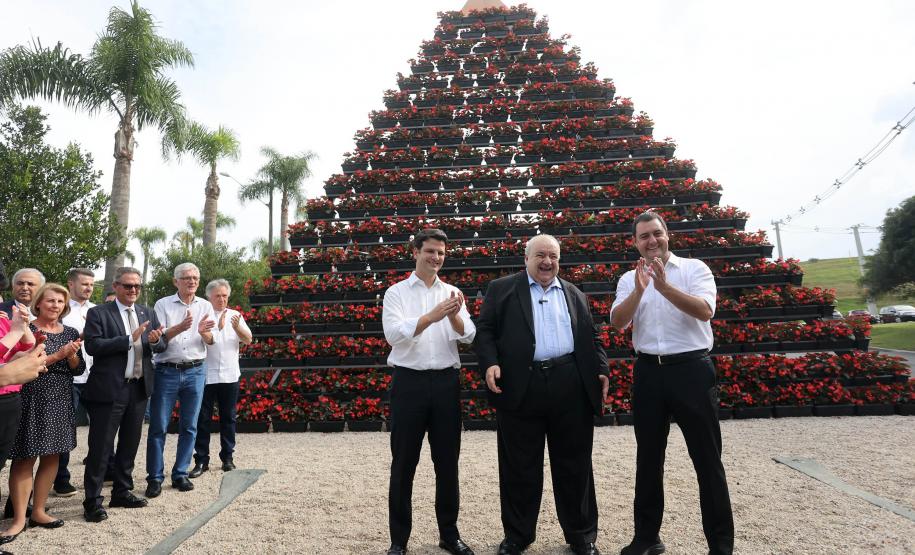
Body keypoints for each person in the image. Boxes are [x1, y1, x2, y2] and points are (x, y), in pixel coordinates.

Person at [474, 234, 610, 555]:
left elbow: (591, 335)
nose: (547, 261)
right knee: (519, 466)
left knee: (575, 465)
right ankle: (518, 535)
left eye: (553, 256)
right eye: (540, 255)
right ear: (526, 258)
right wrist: (490, 362)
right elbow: (485, 331)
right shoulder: (501, 289)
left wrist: (602, 368)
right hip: (521, 385)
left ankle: (581, 535)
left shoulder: (575, 293)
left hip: (570, 384)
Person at [610, 212, 734, 555]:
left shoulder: (694, 269)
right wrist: (640, 291)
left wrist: (664, 287)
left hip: (692, 369)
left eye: (656, 233)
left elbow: (705, 310)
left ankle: (721, 545)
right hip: (649, 371)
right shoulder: (629, 278)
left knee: (707, 460)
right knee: (648, 459)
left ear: (667, 235)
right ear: (635, 243)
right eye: (644, 236)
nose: (651, 241)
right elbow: (618, 321)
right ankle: (647, 538)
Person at [381, 228, 476, 555]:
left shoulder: (452, 293)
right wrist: (433, 316)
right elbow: (394, 335)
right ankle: (398, 540)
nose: (436, 257)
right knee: (403, 463)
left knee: (447, 463)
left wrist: (454, 317)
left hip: (447, 384)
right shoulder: (396, 293)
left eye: (441, 253)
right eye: (430, 251)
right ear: (416, 252)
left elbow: (468, 335)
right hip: (409, 383)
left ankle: (449, 535)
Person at [81, 267, 167, 523]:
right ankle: (93, 501)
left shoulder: (147, 312)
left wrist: (155, 340)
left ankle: (121, 491)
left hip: (138, 388)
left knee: (130, 443)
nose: (133, 290)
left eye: (137, 286)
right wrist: (129, 339)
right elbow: (92, 345)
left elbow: (160, 345)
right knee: (101, 447)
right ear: (116, 286)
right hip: (109, 390)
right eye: (128, 286)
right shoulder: (99, 313)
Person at [1, 284, 84, 546]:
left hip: (60, 398)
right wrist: (59, 354)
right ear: (38, 303)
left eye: (60, 301)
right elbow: (22, 364)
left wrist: (71, 356)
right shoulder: (27, 329)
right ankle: (18, 518)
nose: (56, 305)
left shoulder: (70, 331)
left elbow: (78, 369)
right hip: (30, 397)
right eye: (51, 300)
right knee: (25, 457)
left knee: (52, 456)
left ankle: (38, 511)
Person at [145, 263, 215, 497]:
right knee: (159, 426)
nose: (192, 281)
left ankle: (180, 473)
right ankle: (155, 477)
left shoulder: (205, 305)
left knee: (190, 426)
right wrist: (181, 327)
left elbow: (211, 340)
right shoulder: (162, 304)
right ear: (176, 281)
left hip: (196, 370)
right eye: (186, 278)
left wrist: (204, 332)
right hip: (167, 371)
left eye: (195, 277)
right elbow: (158, 340)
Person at [189, 279, 251, 478]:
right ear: (209, 297)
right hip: (205, 375)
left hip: (230, 374)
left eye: (224, 296)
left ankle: (227, 458)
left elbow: (248, 339)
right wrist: (217, 328)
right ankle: (201, 460)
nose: (222, 299)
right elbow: (202, 340)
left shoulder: (235, 315)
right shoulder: (201, 315)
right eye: (217, 296)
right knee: (202, 419)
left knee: (228, 418)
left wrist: (236, 328)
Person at [53, 268, 96, 497]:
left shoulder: (97, 310)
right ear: (71, 284)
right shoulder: (61, 310)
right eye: (85, 284)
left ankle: (103, 470)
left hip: (95, 376)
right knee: (65, 428)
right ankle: (61, 479)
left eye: (91, 285)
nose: (89, 288)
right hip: (68, 378)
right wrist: (82, 336)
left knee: (102, 425)